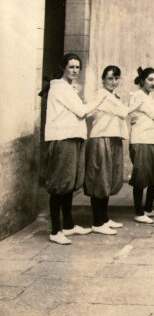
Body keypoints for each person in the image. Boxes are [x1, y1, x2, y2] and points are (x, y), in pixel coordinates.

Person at [44, 53, 107, 244]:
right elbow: (81, 111)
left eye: (77, 67)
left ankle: (68, 226)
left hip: (73, 138)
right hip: (63, 138)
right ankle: (55, 231)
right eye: (71, 67)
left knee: (69, 184)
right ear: (63, 67)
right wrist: (102, 97)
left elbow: (82, 111)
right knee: (59, 185)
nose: (75, 70)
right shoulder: (60, 88)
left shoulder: (68, 88)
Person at [85, 65, 141, 235]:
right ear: (103, 79)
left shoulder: (112, 96)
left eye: (116, 78)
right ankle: (97, 221)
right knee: (100, 179)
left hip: (113, 139)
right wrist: (139, 101)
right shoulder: (102, 95)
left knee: (108, 178)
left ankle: (104, 218)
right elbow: (123, 112)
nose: (113, 82)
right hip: (102, 139)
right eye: (110, 78)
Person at [129, 67, 154, 224]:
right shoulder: (138, 97)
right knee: (141, 177)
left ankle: (148, 208)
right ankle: (139, 212)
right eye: (150, 79)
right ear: (143, 80)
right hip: (141, 140)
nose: (153, 83)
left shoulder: (149, 98)